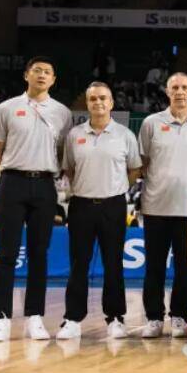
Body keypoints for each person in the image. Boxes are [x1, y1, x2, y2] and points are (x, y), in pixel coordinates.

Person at [0, 56, 72, 342]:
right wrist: (10, 175)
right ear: (26, 75)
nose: (42, 75)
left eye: (47, 71)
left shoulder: (63, 113)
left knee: (39, 254)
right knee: (7, 254)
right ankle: (1, 318)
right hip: (12, 183)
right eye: (37, 70)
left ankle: (35, 317)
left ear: (53, 79)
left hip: (45, 185)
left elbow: (62, 152)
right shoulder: (7, 108)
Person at [56, 82, 142, 340]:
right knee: (78, 264)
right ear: (87, 103)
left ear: (111, 103)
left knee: (113, 263)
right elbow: (69, 169)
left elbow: (134, 169)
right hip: (81, 205)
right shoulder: (74, 135)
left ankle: (115, 318)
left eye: (103, 98)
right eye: (93, 99)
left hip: (113, 205)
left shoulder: (125, 135)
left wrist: (116, 188)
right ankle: (72, 319)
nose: (98, 103)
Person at [138, 72, 187, 339]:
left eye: (184, 87)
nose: (180, 92)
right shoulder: (151, 123)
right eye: (175, 88)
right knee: (154, 266)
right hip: (156, 206)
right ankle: (154, 318)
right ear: (167, 91)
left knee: (185, 266)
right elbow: (143, 162)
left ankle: (179, 316)